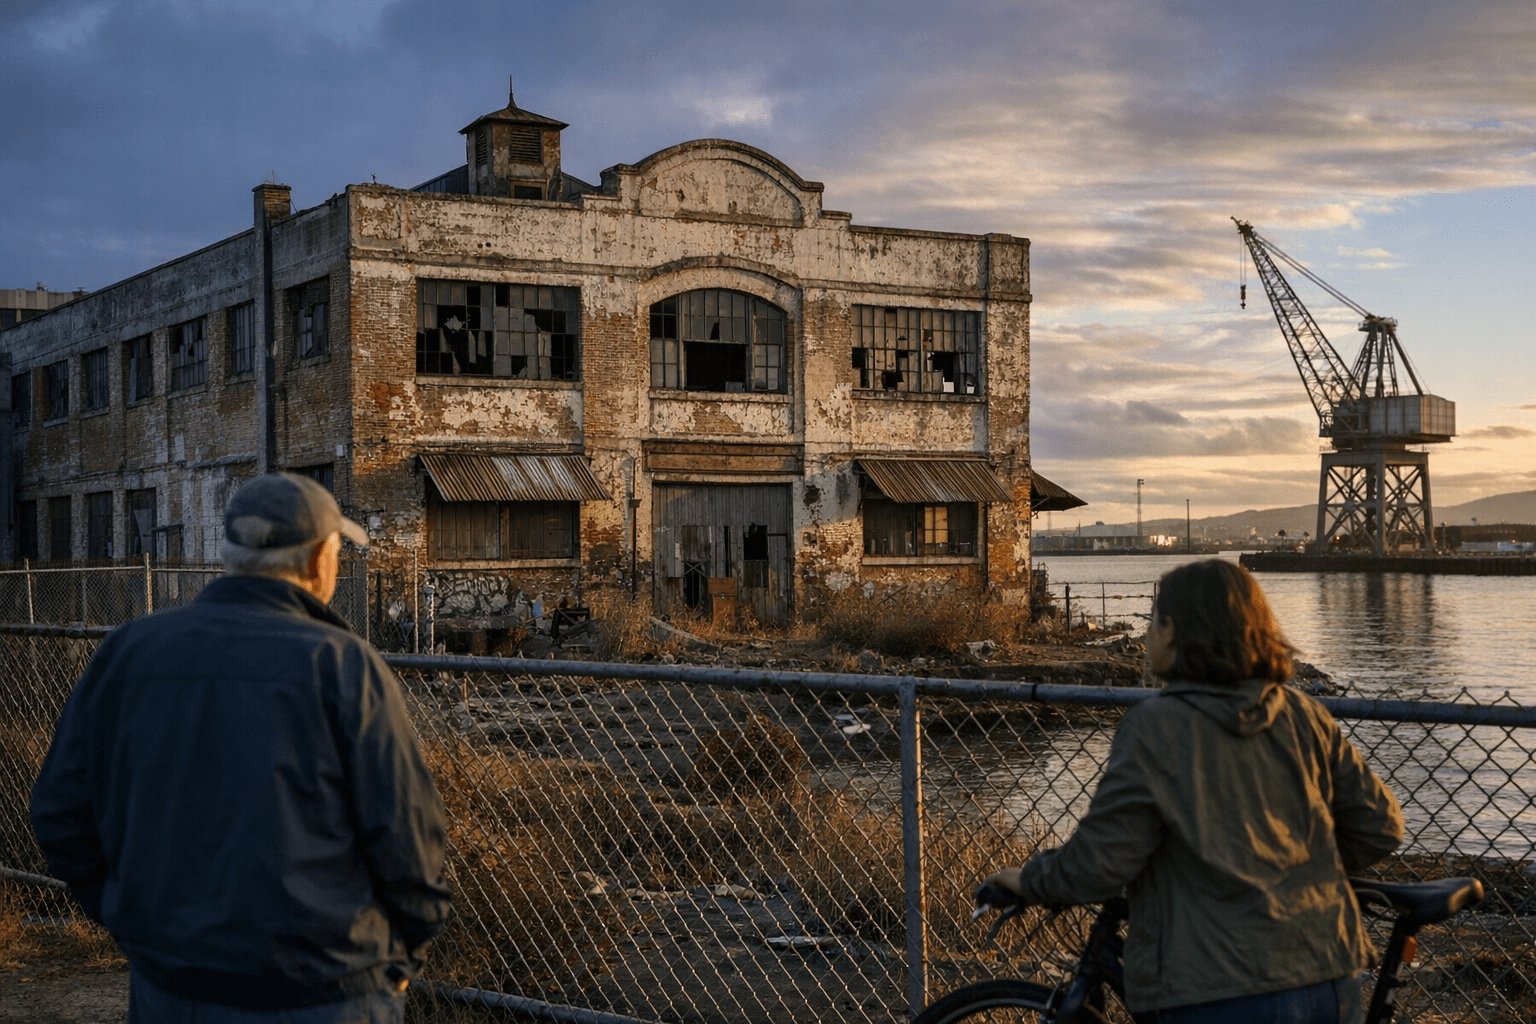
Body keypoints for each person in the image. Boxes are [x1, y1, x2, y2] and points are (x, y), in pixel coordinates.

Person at [31, 472, 453, 1023]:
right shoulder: (343, 666)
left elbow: (60, 813)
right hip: (326, 992)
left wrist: (129, 920)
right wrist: (399, 959)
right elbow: (408, 841)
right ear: (319, 559)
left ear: (230, 555)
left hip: (174, 990)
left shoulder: (129, 654)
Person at [981, 559, 1403, 1023]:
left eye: (1154, 621)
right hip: (1326, 972)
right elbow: (1380, 827)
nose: (1146, 638)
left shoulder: (1157, 726)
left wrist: (1030, 879)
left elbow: (1102, 861)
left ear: (1177, 632)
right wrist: (1286, 870)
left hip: (1213, 987)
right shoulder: (1305, 715)